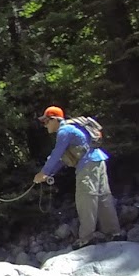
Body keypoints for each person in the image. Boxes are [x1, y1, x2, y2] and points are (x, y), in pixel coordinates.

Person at [33, 105, 119, 246]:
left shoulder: (64, 131)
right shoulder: (70, 130)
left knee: (85, 198)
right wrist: (49, 173)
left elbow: (57, 154)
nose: (45, 125)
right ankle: (114, 233)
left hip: (87, 165)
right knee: (104, 197)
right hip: (99, 160)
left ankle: (86, 238)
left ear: (55, 120)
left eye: (46, 121)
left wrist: (44, 173)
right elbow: (62, 159)